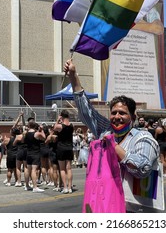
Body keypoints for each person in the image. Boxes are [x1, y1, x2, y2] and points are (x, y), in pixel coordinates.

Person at [63, 59, 159, 212]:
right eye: (113, 113)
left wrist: (113, 146)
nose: (117, 116)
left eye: (122, 113)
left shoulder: (144, 138)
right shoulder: (106, 132)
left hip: (135, 211)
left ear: (132, 118)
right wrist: (74, 77)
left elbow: (142, 168)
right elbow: (87, 112)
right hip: (107, 207)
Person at [54, 109, 74, 194]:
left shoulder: (61, 126)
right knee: (69, 168)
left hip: (61, 148)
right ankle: (70, 187)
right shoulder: (72, 126)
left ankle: (65, 187)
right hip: (69, 148)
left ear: (62, 116)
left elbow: (55, 127)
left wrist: (58, 120)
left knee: (62, 169)